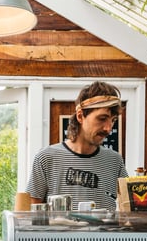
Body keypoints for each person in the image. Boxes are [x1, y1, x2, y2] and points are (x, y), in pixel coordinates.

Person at [26, 82, 128, 211]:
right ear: (80, 116)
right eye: (102, 118)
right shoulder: (46, 158)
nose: (108, 128)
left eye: (113, 120)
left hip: (105, 231)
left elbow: (130, 208)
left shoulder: (115, 161)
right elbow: (31, 214)